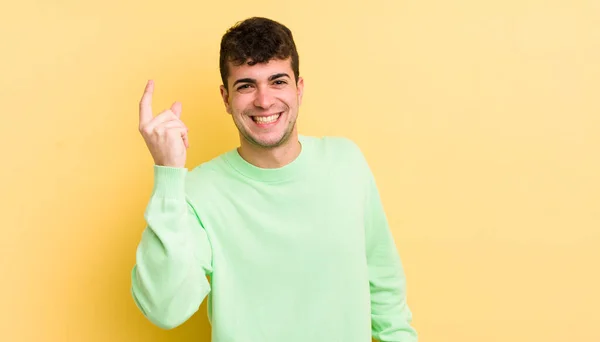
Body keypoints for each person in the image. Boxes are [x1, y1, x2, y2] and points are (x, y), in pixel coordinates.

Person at [130, 16, 418, 342]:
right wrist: (168, 174)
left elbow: (384, 285)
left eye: (278, 81)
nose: (264, 101)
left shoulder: (346, 162)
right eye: (246, 85)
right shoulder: (198, 191)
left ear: (299, 88)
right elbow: (164, 308)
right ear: (226, 98)